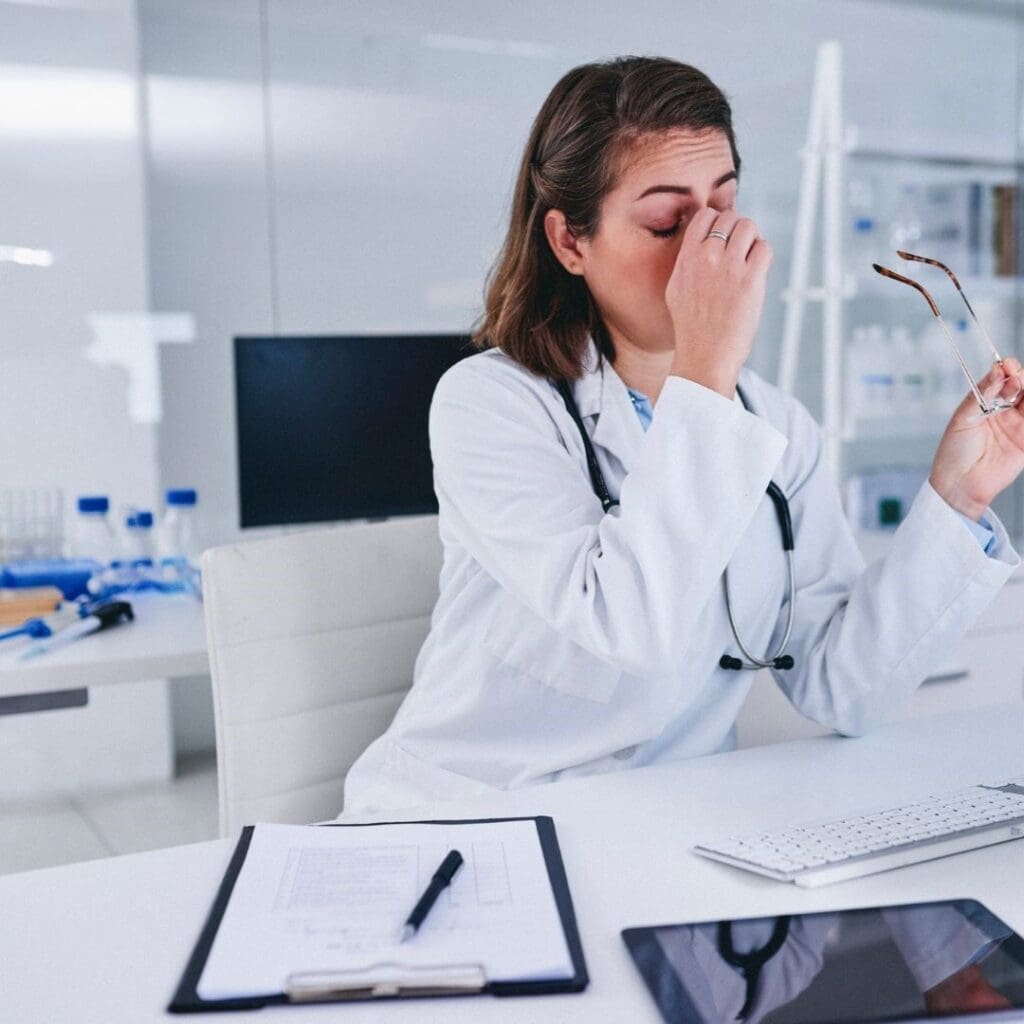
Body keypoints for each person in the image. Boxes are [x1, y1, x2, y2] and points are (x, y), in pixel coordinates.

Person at [342, 55, 1023, 815]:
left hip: (665, 819)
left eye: (724, 208)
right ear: (570, 242)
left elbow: (843, 688)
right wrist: (704, 369)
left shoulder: (773, 427)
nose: (708, 247)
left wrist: (957, 496)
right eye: (668, 222)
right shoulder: (491, 404)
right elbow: (632, 629)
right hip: (481, 813)